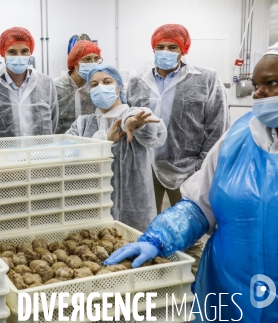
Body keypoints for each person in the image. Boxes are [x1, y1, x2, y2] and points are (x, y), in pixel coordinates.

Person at [105, 48, 278, 321]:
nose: (258, 94)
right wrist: (158, 238)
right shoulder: (240, 138)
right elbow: (199, 205)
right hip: (229, 291)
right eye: (256, 86)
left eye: (271, 84)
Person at [126, 24, 228, 273]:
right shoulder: (138, 81)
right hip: (145, 167)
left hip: (186, 168)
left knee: (188, 231)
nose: (165, 51)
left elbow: (218, 126)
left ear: (183, 50)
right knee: (141, 225)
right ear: (153, 48)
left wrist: (201, 167)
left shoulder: (205, 78)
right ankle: (149, 277)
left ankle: (192, 282)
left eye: (172, 47)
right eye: (160, 47)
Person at [66, 65, 166, 232]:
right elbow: (68, 154)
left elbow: (155, 133)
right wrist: (104, 140)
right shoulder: (82, 123)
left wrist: (133, 123)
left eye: (107, 82)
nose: (100, 87)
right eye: (94, 84)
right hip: (91, 210)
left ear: (119, 87)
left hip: (133, 213)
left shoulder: (133, 113)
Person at [0, 27, 59, 138]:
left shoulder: (46, 83)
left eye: (24, 51)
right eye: (12, 52)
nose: (19, 56)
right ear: (3, 53)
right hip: (0, 154)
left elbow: (53, 122)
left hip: (40, 153)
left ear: (31, 52)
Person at [54, 40, 99, 134]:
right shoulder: (55, 87)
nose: (93, 63)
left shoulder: (96, 88)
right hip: (61, 144)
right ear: (75, 62)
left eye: (96, 59)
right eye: (88, 59)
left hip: (90, 143)